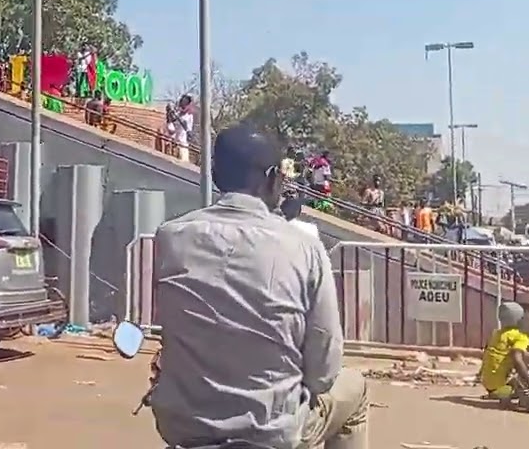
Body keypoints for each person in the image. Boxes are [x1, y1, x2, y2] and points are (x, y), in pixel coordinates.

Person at [150, 124, 368, 449]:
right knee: (356, 388)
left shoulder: (170, 236)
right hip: (273, 431)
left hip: (184, 427)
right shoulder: (303, 247)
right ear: (272, 177)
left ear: (215, 175)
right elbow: (324, 371)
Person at [479, 302, 529, 413]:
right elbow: (518, 360)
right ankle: (525, 402)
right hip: (502, 387)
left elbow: (500, 355)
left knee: (526, 371)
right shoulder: (520, 337)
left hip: (489, 385)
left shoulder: (496, 334)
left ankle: (502, 397)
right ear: (519, 320)